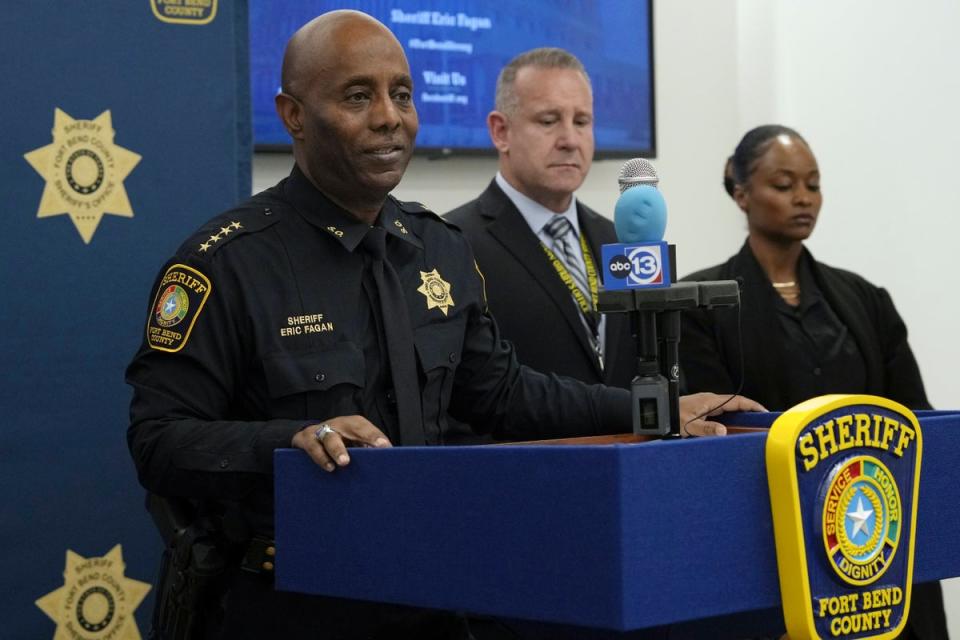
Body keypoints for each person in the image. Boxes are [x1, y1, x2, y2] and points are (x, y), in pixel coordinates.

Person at [126, 11, 761, 639]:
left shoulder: (436, 248)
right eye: (357, 97)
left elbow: (505, 394)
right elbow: (157, 440)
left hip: (430, 594)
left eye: (401, 95)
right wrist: (291, 440)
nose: (388, 117)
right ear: (293, 114)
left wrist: (652, 411)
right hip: (285, 601)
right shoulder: (224, 263)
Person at [679, 124, 948, 639]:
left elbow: (918, 420)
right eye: (783, 185)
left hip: (877, 544)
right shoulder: (701, 305)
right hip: (773, 553)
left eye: (813, 184)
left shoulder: (866, 299)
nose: (803, 198)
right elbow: (712, 447)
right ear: (741, 193)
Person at [445, 48, 635, 393]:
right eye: (548, 121)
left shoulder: (617, 239)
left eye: (582, 122)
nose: (570, 141)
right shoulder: (454, 242)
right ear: (500, 131)